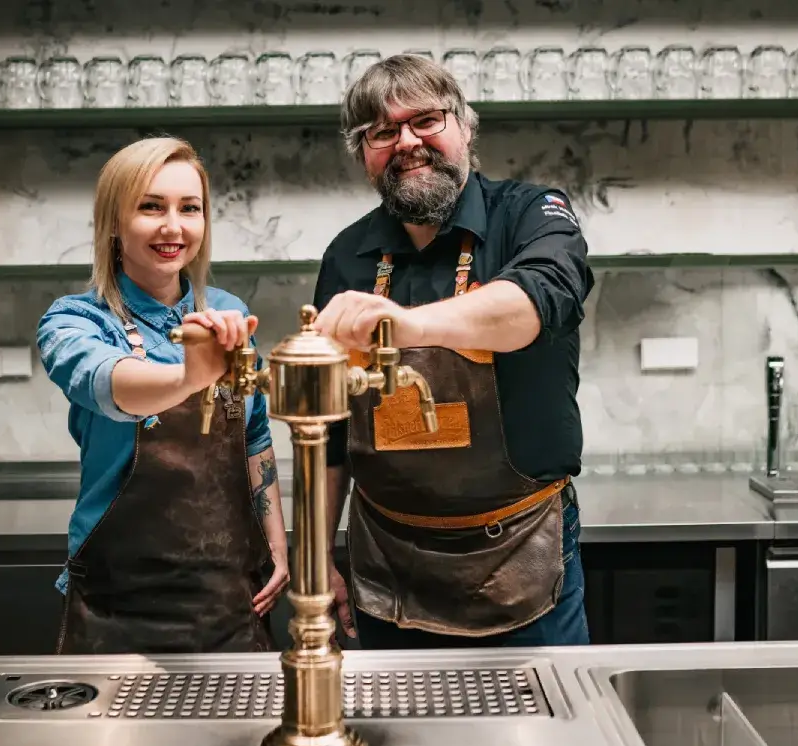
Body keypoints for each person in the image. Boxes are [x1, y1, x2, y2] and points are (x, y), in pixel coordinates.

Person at [311, 54, 595, 649]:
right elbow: (329, 424)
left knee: (541, 739)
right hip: (386, 569)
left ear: (465, 126)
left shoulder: (531, 214)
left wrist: (401, 325)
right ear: (363, 154)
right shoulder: (347, 256)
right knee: (398, 743)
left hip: (522, 555)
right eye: (382, 132)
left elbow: (531, 305)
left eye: (426, 120)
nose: (407, 142)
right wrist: (316, 554)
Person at [37, 136, 290, 655]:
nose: (173, 227)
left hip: (228, 598)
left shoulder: (227, 310)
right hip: (115, 605)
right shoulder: (74, 320)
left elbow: (255, 437)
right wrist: (188, 377)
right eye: (151, 207)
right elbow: (110, 385)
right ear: (113, 220)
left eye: (189, 209)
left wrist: (277, 543)